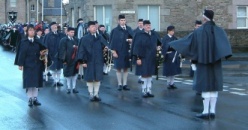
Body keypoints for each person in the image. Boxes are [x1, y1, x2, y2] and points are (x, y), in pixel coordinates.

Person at [169, 9, 232, 119]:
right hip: (216, 63)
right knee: (214, 87)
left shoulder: (199, 31)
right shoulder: (219, 30)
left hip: (203, 62)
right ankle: (212, 112)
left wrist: (173, 44)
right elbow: (225, 45)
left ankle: (205, 112)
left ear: (204, 18)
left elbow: (188, 43)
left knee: (205, 87)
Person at [17, 25, 47, 107]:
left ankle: (35, 98)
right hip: (28, 65)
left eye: (33, 30)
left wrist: (43, 53)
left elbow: (45, 50)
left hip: (37, 64)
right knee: (29, 83)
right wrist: (20, 64)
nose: (32, 32)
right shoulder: (23, 42)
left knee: (36, 82)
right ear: (27, 32)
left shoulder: (38, 41)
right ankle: (30, 98)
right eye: (30, 30)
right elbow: (21, 54)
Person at [77, 21, 107, 101]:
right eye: (92, 26)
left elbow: (106, 47)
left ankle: (96, 94)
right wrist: (83, 61)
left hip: (98, 60)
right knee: (90, 77)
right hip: (88, 61)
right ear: (88, 28)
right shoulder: (84, 39)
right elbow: (81, 50)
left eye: (95, 26)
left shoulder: (100, 37)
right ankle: (91, 94)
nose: (94, 28)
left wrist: (107, 55)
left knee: (98, 77)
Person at [133, 20, 161, 98]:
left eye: (149, 25)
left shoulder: (154, 34)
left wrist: (159, 47)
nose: (149, 27)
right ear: (144, 26)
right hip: (143, 57)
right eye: (147, 25)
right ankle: (144, 91)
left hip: (152, 57)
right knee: (144, 74)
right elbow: (136, 47)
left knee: (150, 74)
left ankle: (149, 90)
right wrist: (138, 58)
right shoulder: (139, 35)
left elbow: (159, 43)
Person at [110, 14, 134, 91]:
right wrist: (114, 52)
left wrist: (131, 41)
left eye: (124, 20)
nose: (123, 22)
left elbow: (134, 38)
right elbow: (112, 42)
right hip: (118, 52)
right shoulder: (115, 30)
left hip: (127, 51)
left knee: (126, 68)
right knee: (119, 69)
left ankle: (125, 84)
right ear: (118, 21)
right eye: (121, 20)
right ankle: (120, 84)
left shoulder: (129, 29)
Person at [43, 22, 65, 87]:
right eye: (53, 26)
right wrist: (46, 53)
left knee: (59, 68)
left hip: (60, 54)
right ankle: (55, 80)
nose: (55, 27)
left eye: (56, 26)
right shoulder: (48, 36)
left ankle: (58, 81)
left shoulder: (61, 35)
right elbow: (45, 45)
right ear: (51, 27)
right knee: (53, 68)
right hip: (51, 54)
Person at [58, 27, 79, 94]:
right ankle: (68, 87)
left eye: (73, 32)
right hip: (67, 60)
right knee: (68, 75)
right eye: (71, 32)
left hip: (75, 60)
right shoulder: (64, 40)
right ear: (67, 32)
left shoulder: (76, 39)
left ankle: (74, 87)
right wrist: (63, 59)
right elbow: (62, 50)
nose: (72, 33)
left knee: (74, 74)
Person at [132, 19, 144, 83]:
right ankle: (140, 77)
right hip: (137, 49)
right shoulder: (135, 31)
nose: (140, 24)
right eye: (139, 23)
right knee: (138, 64)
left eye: (142, 23)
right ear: (138, 24)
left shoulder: (146, 31)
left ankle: (144, 77)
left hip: (144, 49)